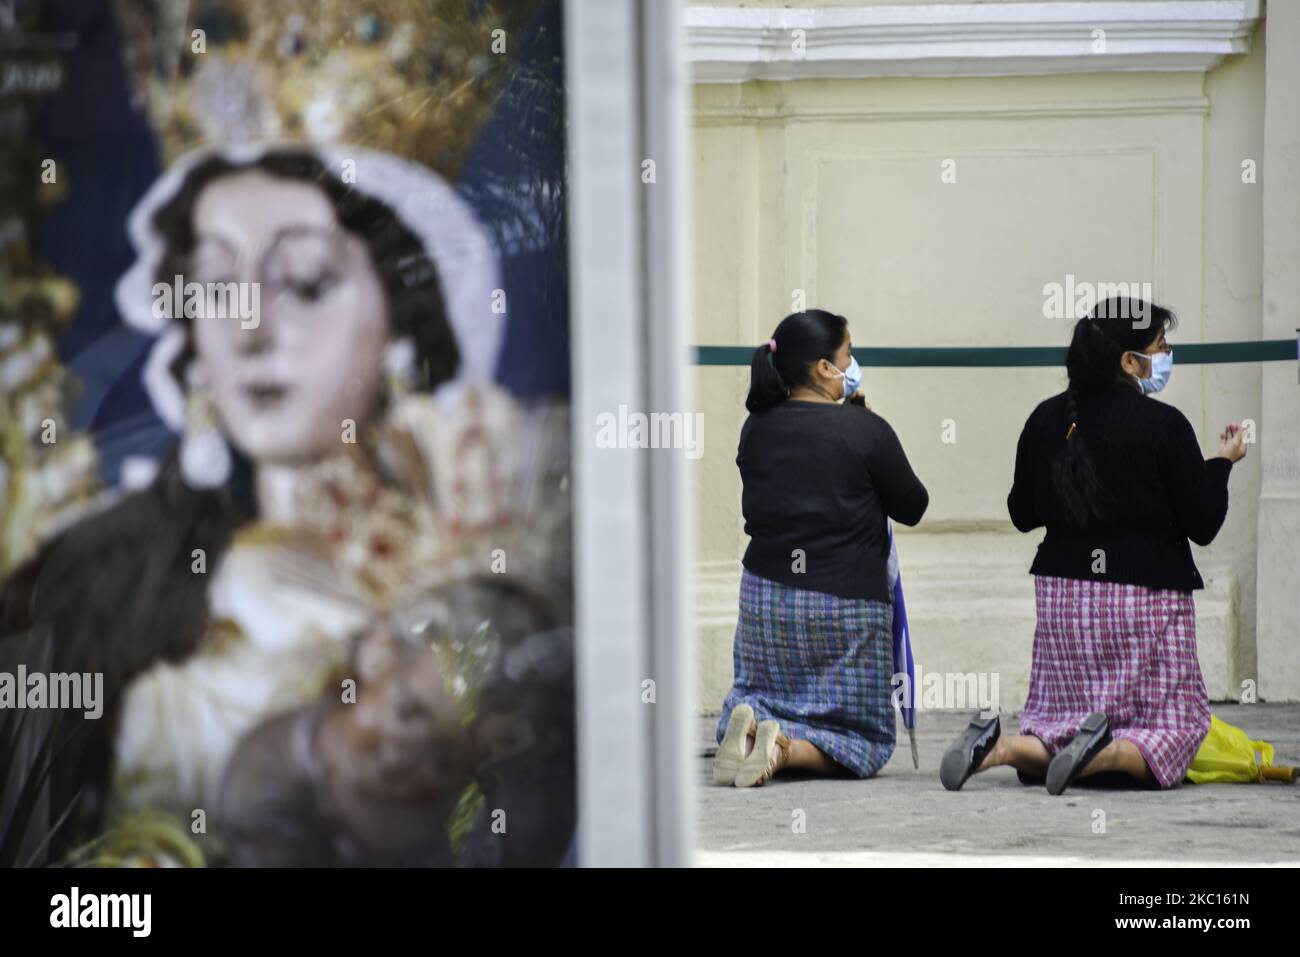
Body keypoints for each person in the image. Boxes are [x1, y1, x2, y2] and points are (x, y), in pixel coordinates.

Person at [0, 146, 574, 866]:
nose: (252, 329)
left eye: (304, 282)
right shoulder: (120, 568)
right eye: (215, 286)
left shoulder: (489, 548)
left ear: (399, 316)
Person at [940, 297, 1247, 795]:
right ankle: (1105, 754)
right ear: (1129, 361)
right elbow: (1203, 522)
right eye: (1160, 347)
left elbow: (1022, 514)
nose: (1167, 356)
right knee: (1172, 731)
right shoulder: (1165, 425)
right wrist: (1222, 463)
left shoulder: (1045, 419)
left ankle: (1002, 749)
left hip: (1064, 602)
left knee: (1059, 719)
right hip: (1145, 598)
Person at [713, 309, 929, 788]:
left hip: (764, 602)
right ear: (823, 368)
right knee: (864, 740)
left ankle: (751, 732)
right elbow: (913, 505)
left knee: (764, 694)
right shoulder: (865, 431)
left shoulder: (756, 427)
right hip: (844, 605)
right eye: (848, 354)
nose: (853, 364)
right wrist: (868, 430)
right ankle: (784, 749)